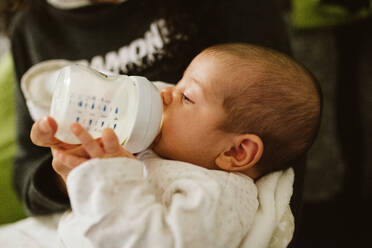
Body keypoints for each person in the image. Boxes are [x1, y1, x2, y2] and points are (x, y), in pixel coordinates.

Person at [1, 0, 292, 217]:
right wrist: (67, 177)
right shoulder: (32, 27)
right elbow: (25, 171)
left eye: (186, 95)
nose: (164, 92)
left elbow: (277, 121)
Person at [24, 43, 320, 247]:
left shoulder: (217, 197)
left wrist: (112, 176)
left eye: (187, 97)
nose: (164, 94)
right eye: (177, 84)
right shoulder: (172, 150)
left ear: (236, 152)